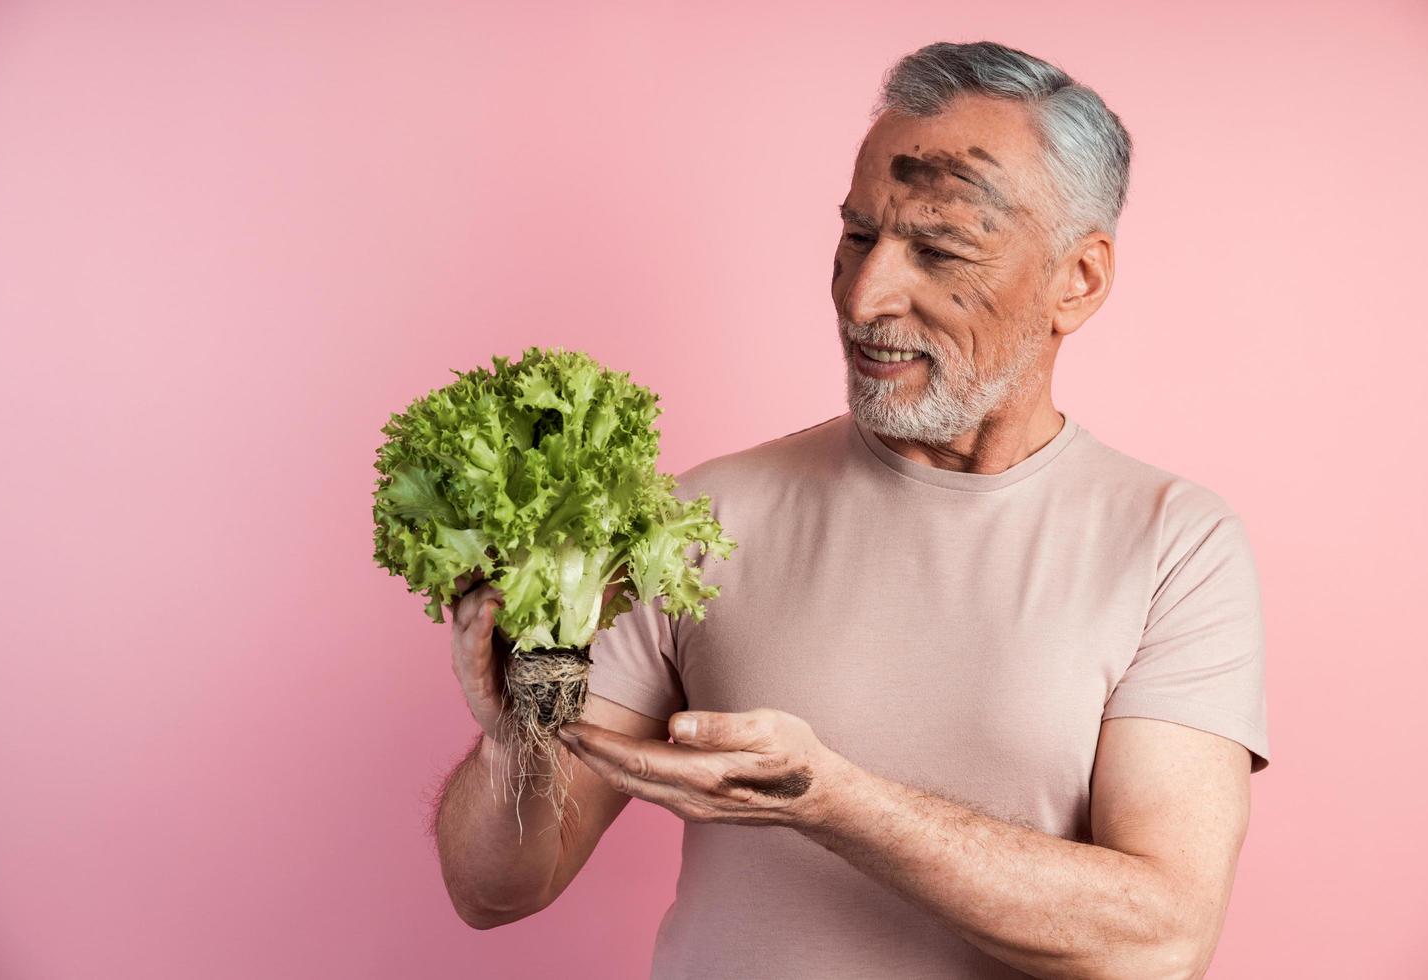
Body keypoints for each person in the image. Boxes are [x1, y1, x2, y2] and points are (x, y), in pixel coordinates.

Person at [430, 39, 1270, 980]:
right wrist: (516, 732)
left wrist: (830, 801)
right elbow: (493, 890)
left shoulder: (1173, 546)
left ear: (1077, 280)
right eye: (858, 235)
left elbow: (1159, 942)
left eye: (939, 247)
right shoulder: (701, 517)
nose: (866, 296)